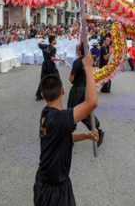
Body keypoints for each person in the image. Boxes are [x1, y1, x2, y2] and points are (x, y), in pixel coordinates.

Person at [33, 51, 99, 206]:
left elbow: (63, 136)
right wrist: (88, 68)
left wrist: (86, 135)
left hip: (48, 182)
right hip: (53, 190)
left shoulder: (47, 113)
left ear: (42, 95)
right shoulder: (58, 118)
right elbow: (91, 103)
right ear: (63, 91)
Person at [68, 42, 104, 147]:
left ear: (79, 50)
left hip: (77, 90)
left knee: (72, 111)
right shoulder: (88, 61)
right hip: (87, 88)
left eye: (77, 47)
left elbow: (71, 79)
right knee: (84, 111)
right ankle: (96, 128)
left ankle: (69, 135)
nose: (76, 47)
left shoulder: (77, 62)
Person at [36, 36, 65, 101]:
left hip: (44, 64)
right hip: (50, 65)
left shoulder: (44, 46)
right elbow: (52, 58)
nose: (56, 41)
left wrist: (42, 40)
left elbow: (38, 43)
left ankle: (39, 95)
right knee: (56, 77)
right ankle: (57, 93)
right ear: (52, 41)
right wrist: (61, 59)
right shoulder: (53, 48)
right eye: (55, 40)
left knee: (43, 79)